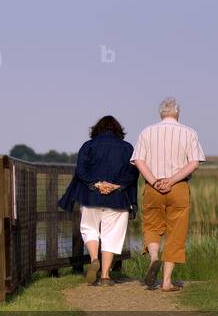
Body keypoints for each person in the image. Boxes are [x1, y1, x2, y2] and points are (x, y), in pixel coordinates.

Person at [130, 97, 206, 292]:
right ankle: (166, 282)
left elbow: (138, 160)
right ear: (177, 113)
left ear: (160, 113)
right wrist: (171, 181)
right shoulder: (189, 133)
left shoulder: (146, 132)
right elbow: (194, 163)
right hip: (178, 187)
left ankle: (154, 257)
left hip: (152, 186)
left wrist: (155, 181)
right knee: (176, 232)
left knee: (152, 225)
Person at [58, 115, 139, 286]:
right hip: (118, 199)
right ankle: (105, 276)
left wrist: (96, 184)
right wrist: (116, 186)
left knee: (89, 229)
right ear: (118, 130)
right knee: (112, 235)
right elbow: (133, 173)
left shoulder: (88, 146)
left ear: (97, 130)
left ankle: (94, 259)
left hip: (91, 196)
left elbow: (80, 171)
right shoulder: (127, 148)